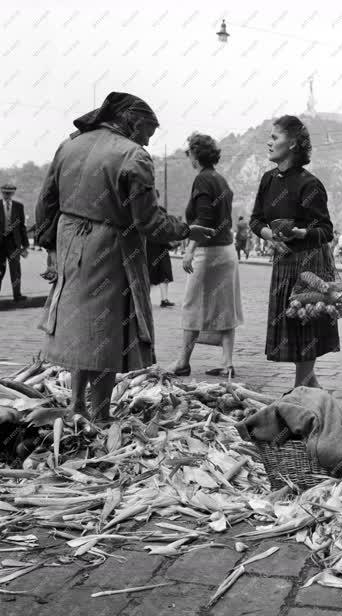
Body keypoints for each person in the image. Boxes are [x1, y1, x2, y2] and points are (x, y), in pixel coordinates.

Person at [35, 91, 214, 423]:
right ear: (132, 122)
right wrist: (188, 231)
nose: (147, 141)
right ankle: (100, 413)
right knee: (105, 333)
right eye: (148, 132)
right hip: (108, 249)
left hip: (70, 243)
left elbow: (46, 202)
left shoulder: (70, 145)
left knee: (80, 328)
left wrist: (51, 249)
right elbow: (148, 220)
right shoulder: (133, 156)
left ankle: (77, 404)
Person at [249, 115, 339, 388]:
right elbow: (255, 220)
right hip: (284, 258)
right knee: (294, 328)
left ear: (293, 144)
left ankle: (299, 390)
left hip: (310, 262)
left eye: (275, 137)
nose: (269, 142)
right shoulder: (268, 180)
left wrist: (300, 233)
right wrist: (269, 236)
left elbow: (326, 231)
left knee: (306, 325)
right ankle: (311, 393)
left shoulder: (309, 184)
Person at [169, 133, 243, 378]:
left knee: (192, 304)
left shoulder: (202, 180)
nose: (188, 157)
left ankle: (182, 361)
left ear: (195, 155)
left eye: (188, 153)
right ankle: (226, 362)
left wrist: (189, 250)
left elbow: (203, 220)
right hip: (227, 251)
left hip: (208, 252)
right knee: (225, 306)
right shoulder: (221, 180)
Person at [0, 183, 29, 302]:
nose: (7, 195)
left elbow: (22, 227)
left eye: (9, 193)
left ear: (13, 193)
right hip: (0, 245)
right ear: (1, 192)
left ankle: (17, 295)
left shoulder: (19, 206)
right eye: (5, 192)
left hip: (14, 244)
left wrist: (25, 246)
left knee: (15, 270)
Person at [147, 189, 175, 307]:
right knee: (149, 274)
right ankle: (146, 299)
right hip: (151, 246)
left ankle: (164, 299)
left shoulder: (161, 211)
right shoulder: (146, 212)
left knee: (164, 273)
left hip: (159, 246)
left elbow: (166, 228)